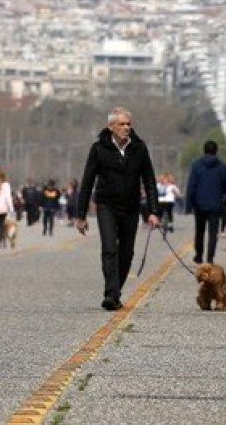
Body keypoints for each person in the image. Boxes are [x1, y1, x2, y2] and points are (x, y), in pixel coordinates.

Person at [75, 107, 162, 311]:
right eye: (122, 124)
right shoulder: (98, 149)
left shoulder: (139, 148)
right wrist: (81, 215)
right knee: (109, 249)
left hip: (131, 207)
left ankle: (116, 291)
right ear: (111, 127)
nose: (126, 128)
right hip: (106, 205)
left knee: (126, 253)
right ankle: (110, 294)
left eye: (129, 124)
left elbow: (149, 180)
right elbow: (87, 182)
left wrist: (154, 211)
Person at [184, 141, 226, 264]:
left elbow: (191, 186)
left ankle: (198, 255)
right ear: (216, 151)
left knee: (199, 231)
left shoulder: (196, 165)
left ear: (204, 150)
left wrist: (189, 205)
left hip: (199, 204)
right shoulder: (222, 166)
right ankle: (210, 257)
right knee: (213, 232)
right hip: (216, 204)